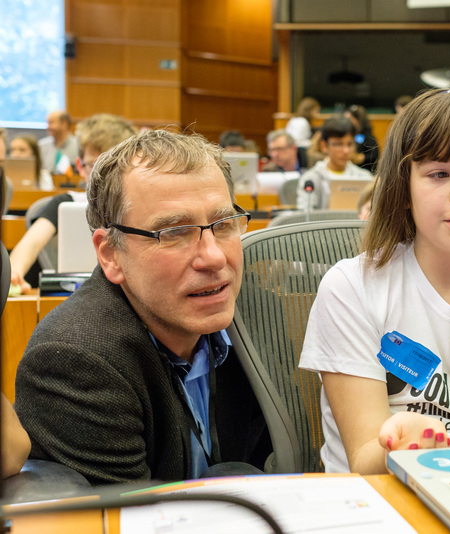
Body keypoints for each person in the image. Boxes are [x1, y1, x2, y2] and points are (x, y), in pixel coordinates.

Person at [298, 87, 450, 474]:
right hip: (377, 504)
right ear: (404, 189)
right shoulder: (351, 287)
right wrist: (404, 444)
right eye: (439, 173)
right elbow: (364, 460)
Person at [15, 129, 272, 486]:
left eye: (224, 224)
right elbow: (128, 520)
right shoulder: (75, 360)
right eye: (174, 232)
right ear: (110, 254)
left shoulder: (260, 318)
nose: (214, 257)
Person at [9, 114, 137, 292]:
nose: (104, 176)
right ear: (79, 165)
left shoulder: (138, 207)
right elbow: (30, 244)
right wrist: (15, 273)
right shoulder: (65, 203)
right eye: (94, 165)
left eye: (114, 166)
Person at [296, 117, 372, 211]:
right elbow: (305, 216)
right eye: (339, 144)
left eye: (350, 144)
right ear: (324, 146)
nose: (346, 150)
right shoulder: (311, 180)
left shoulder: (365, 178)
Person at [38, 110, 79, 176]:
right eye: (48, 123)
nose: (48, 127)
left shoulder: (79, 145)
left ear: (64, 124)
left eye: (51, 123)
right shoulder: (41, 146)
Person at [345, 105, 380, 174]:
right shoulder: (348, 135)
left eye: (350, 119)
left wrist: (360, 157)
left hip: (365, 172)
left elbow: (375, 154)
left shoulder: (368, 136)